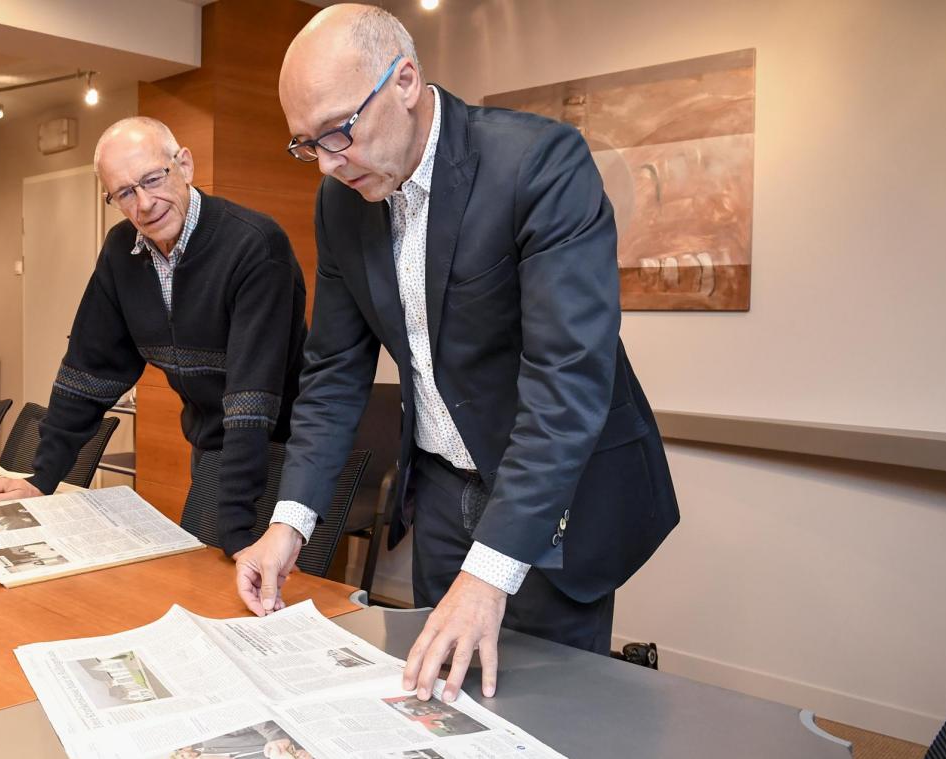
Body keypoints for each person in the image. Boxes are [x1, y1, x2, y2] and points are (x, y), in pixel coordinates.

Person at [235, 4, 679, 705]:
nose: (326, 162)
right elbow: (333, 373)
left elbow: (566, 384)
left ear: (404, 81)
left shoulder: (538, 164)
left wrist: (491, 571)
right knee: (438, 702)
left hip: (549, 494)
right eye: (306, 144)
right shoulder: (341, 202)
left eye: (339, 132)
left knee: (546, 711)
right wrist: (290, 520)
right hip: (441, 494)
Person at [0, 117, 307, 557]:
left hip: (287, 448)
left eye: (152, 179)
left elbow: (250, 399)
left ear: (184, 165)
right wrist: (41, 479)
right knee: (205, 578)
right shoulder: (121, 251)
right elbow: (88, 372)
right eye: (125, 192)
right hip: (215, 444)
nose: (144, 203)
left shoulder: (255, 245)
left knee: (255, 581)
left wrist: (236, 533)